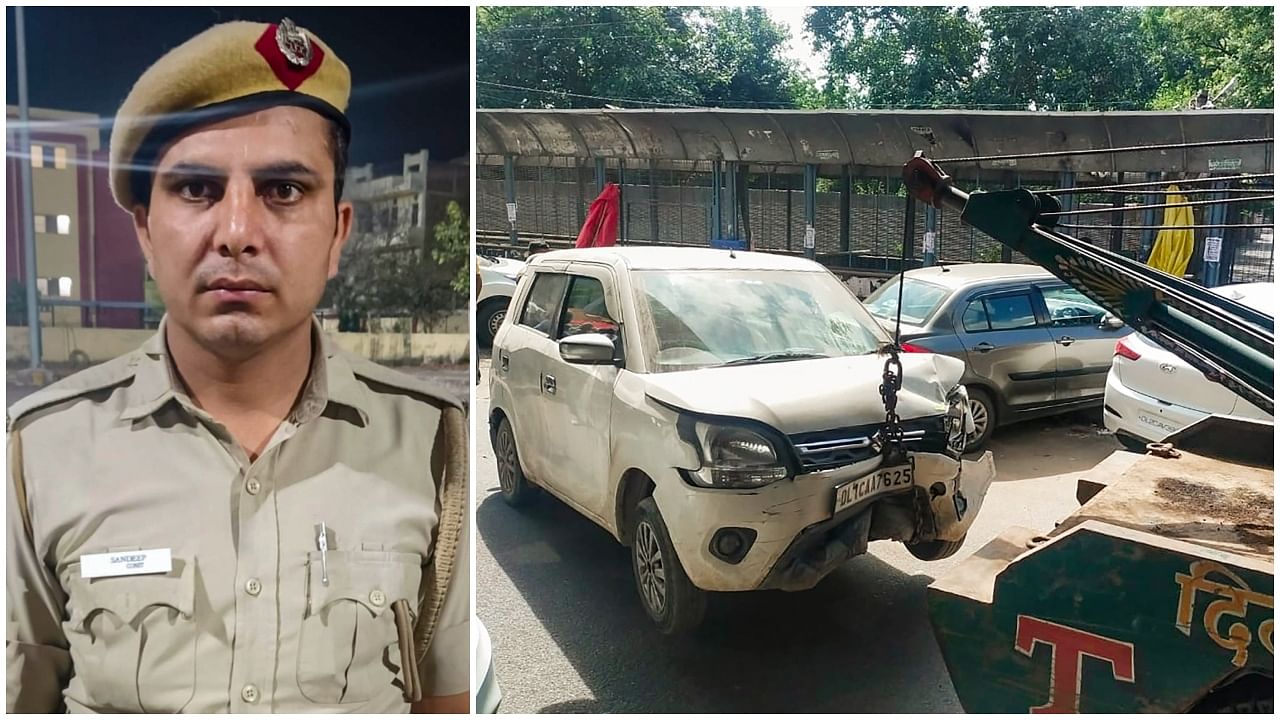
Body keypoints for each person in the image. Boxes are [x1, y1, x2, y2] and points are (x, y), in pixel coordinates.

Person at [6, 19, 469, 713]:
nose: (237, 233)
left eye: (283, 191)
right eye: (196, 189)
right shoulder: (39, 450)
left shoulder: (432, 444)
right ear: (144, 231)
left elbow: (445, 694)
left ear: (338, 233)